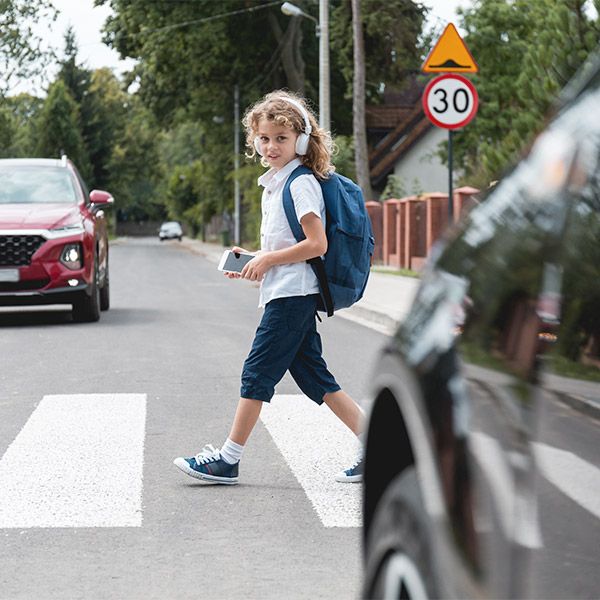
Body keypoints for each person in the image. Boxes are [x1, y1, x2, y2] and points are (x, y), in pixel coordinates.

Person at [173, 91, 365, 485]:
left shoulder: (299, 183)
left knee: (256, 373)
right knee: (317, 379)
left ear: (299, 139)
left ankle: (228, 459)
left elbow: (317, 244)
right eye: (264, 138)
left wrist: (268, 261)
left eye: (281, 137)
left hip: (293, 295)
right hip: (286, 290)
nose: (271, 145)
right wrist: (255, 256)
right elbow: (287, 242)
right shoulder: (277, 184)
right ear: (254, 140)